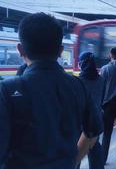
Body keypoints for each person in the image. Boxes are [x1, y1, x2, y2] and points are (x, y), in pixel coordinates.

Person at [0, 13, 102, 168]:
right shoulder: (78, 86)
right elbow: (93, 132)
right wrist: (72, 161)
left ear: (20, 49)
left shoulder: (7, 90)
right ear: (61, 50)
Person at [78, 52, 105, 169]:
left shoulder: (78, 81)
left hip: (80, 121)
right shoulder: (101, 80)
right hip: (96, 119)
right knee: (93, 148)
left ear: (82, 64)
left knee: (77, 150)